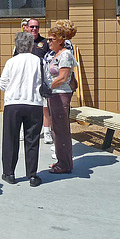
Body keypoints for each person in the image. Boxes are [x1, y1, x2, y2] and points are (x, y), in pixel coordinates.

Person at [0, 32, 44, 187]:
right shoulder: (38, 61)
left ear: (17, 46)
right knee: (32, 139)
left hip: (13, 103)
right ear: (31, 45)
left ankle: (9, 173)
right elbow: (45, 81)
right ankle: (32, 175)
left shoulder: (11, 62)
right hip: (34, 103)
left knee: (10, 138)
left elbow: (3, 83)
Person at [44, 25, 78, 174]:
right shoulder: (56, 54)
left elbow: (63, 77)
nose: (48, 42)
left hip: (61, 94)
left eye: (51, 39)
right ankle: (61, 160)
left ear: (59, 40)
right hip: (54, 94)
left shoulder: (65, 55)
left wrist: (48, 87)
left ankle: (65, 164)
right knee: (56, 129)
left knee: (61, 130)